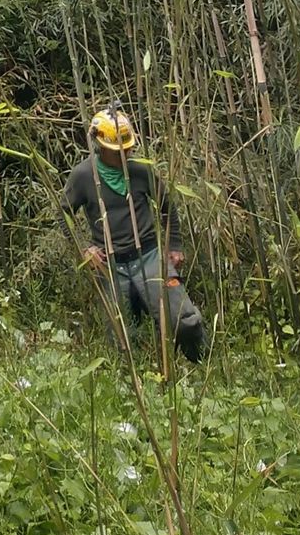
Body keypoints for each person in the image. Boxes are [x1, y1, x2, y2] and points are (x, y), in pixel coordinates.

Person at [62, 105, 207, 364]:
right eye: (118, 150)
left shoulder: (141, 170)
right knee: (123, 338)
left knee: (186, 321)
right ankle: (135, 387)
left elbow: (167, 206)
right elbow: (63, 216)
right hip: (111, 265)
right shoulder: (83, 176)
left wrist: (174, 245)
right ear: (101, 146)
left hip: (150, 257)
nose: (125, 153)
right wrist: (84, 249)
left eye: (127, 147)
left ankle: (203, 367)